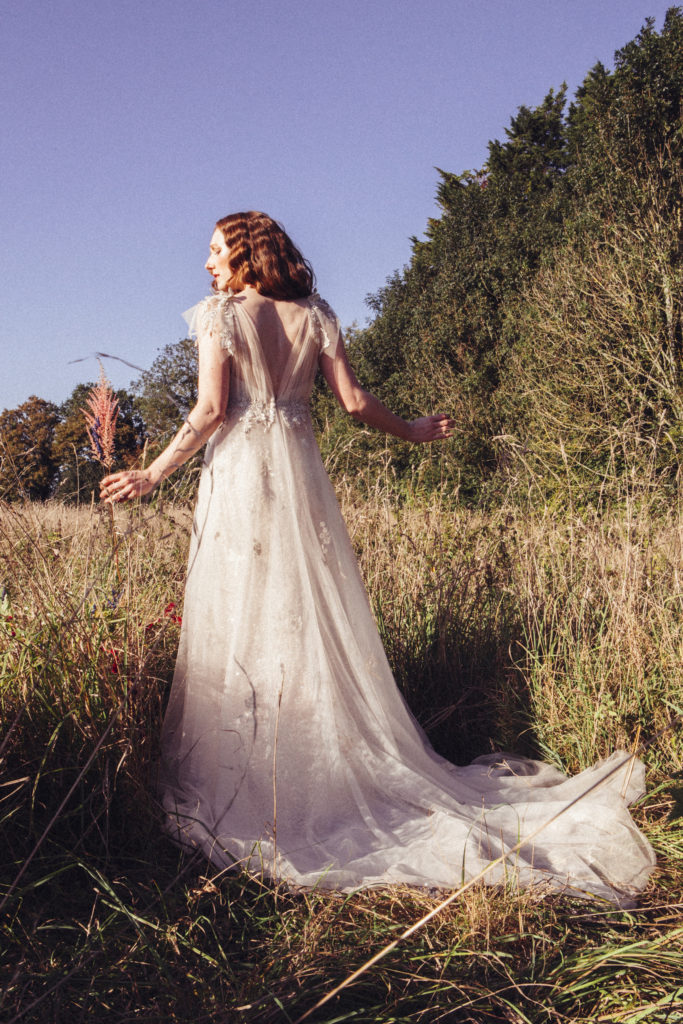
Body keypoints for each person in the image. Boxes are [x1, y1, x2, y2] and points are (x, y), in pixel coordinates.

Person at [102, 211, 655, 904]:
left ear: (245, 254)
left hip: (243, 473)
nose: (207, 263)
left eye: (216, 250)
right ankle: (311, 757)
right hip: (301, 478)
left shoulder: (219, 316)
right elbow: (356, 403)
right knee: (306, 612)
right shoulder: (316, 315)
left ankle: (254, 773)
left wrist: (151, 474)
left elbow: (211, 411)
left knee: (243, 609)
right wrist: (415, 431)